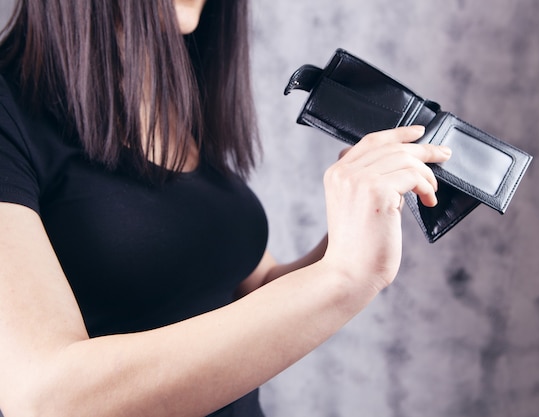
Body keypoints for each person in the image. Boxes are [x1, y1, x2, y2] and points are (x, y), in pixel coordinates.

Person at [0, 0, 451, 416]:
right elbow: (45, 396)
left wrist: (354, 229)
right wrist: (344, 280)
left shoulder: (167, 90)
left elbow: (248, 291)